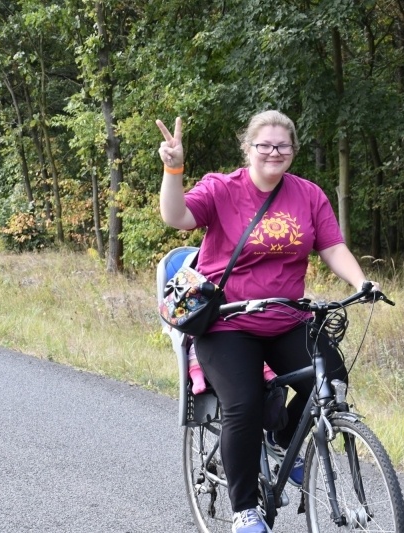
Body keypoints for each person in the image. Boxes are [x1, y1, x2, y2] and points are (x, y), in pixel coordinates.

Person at [156, 110, 379, 533]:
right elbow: (176, 217)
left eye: (282, 145)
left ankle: (282, 439)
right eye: (265, 145)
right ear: (248, 148)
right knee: (244, 404)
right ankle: (245, 509)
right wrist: (173, 168)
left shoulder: (308, 194)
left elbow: (332, 246)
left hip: (285, 317)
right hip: (227, 323)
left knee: (332, 379)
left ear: (293, 149)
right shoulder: (222, 188)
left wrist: (361, 281)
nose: (274, 152)